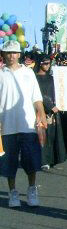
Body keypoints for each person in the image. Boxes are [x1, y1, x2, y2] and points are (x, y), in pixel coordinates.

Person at [0, 40, 48, 207]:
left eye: (14, 52)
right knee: (9, 162)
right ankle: (12, 192)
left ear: (19, 54)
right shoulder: (0, 74)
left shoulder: (28, 73)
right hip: (7, 126)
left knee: (31, 159)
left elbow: (36, 98)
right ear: (3, 55)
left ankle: (32, 188)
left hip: (28, 125)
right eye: (8, 53)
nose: (11, 56)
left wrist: (41, 113)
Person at [35, 55, 67, 170]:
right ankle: (43, 161)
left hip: (53, 113)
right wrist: (50, 105)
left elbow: (59, 92)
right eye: (45, 63)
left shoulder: (52, 78)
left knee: (52, 136)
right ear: (40, 63)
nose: (47, 65)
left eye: (49, 63)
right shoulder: (35, 79)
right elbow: (38, 95)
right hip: (40, 111)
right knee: (42, 136)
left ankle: (52, 159)